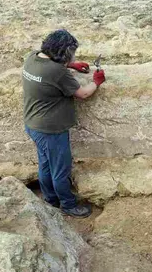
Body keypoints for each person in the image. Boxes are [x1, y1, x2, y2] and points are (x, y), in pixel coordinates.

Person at [22, 29, 106, 218]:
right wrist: (96, 81)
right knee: (61, 170)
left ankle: (50, 200)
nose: (73, 56)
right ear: (63, 53)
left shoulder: (32, 58)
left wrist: (71, 65)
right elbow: (83, 93)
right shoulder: (57, 71)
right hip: (51, 130)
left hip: (33, 123)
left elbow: (48, 73)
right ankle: (68, 205)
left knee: (45, 165)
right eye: (71, 54)